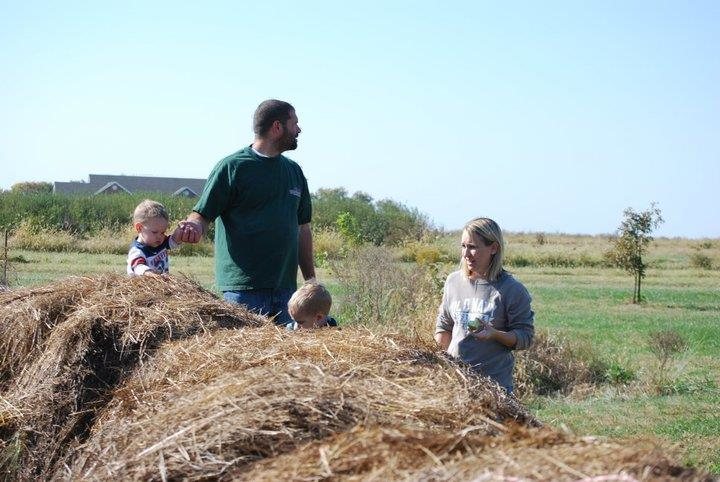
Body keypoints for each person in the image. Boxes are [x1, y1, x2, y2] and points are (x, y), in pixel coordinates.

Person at [179, 99, 316, 325]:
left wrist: (310, 281)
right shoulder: (232, 167)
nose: (299, 130)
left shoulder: (294, 172)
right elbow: (202, 215)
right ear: (277, 127)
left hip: (286, 291)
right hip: (243, 291)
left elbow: (303, 229)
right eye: (294, 124)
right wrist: (193, 226)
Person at [434, 217, 534, 394]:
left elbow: (525, 337)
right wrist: (438, 366)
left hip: (493, 390)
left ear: (493, 248)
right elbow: (444, 327)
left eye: (473, 247)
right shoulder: (453, 282)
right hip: (455, 385)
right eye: (463, 246)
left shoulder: (511, 290)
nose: (466, 254)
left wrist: (494, 334)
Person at [127, 199, 183, 276]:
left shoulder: (161, 242)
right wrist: (151, 275)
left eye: (163, 232)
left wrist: (181, 231)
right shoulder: (137, 251)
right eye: (154, 232)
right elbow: (138, 266)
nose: (160, 236)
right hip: (145, 283)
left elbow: (174, 241)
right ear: (139, 228)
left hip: (160, 283)